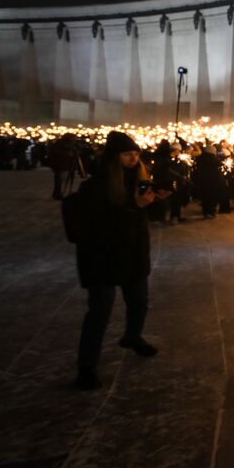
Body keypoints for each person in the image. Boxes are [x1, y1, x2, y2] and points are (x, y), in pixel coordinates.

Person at [64, 131, 171, 390]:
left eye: (136, 153)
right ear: (113, 158)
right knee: (100, 312)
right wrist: (134, 206)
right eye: (127, 153)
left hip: (132, 254)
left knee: (139, 302)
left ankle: (133, 336)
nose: (134, 157)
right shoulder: (94, 187)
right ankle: (86, 367)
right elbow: (99, 225)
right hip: (102, 257)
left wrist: (157, 201)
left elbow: (151, 216)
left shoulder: (140, 180)